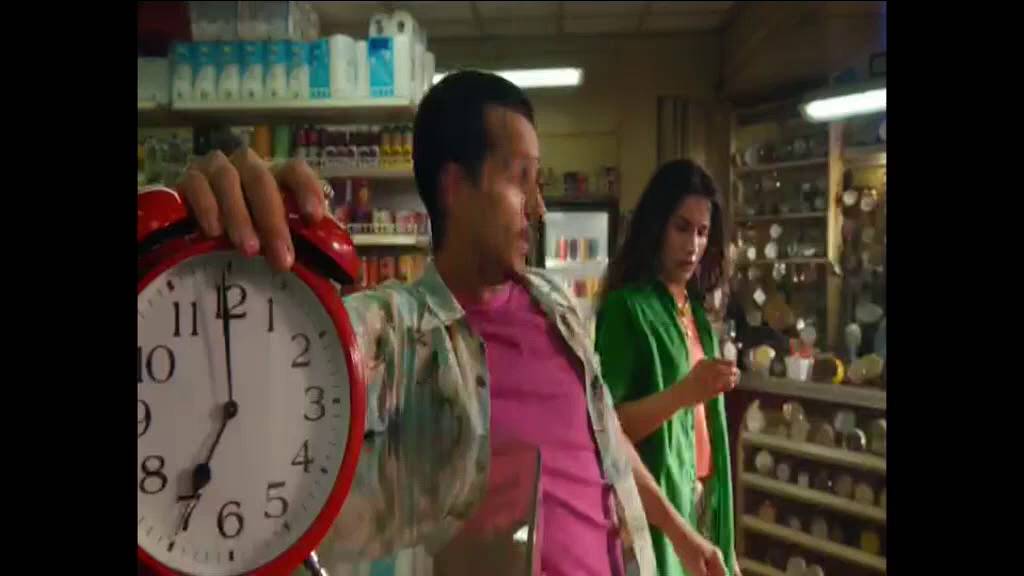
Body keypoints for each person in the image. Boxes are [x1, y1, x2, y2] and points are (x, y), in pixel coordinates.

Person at [172, 71, 728, 576]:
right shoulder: (398, 333)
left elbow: (603, 431)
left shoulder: (557, 305)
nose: (538, 207)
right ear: (455, 188)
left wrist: (680, 534)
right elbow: (249, 384)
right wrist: (214, 257)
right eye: (522, 179)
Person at [595, 159, 742, 576]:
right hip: (657, 507)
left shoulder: (696, 314)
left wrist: (727, 544)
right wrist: (685, 393)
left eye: (702, 232)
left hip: (705, 498)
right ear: (656, 226)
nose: (693, 245)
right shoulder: (627, 308)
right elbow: (607, 427)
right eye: (682, 228)